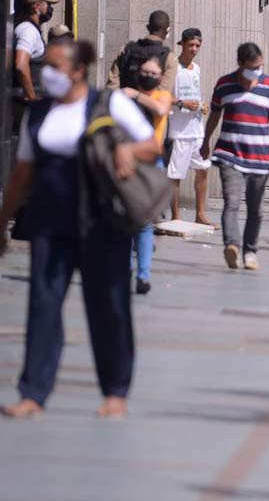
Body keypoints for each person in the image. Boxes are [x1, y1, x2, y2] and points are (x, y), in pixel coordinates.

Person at [0, 40, 158, 418]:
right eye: (45, 66)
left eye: (54, 66)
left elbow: (150, 145)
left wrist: (127, 151)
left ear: (77, 70)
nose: (46, 73)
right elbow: (24, 171)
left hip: (101, 220)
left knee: (108, 305)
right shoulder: (37, 113)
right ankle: (33, 393)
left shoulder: (109, 103)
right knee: (43, 305)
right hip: (49, 220)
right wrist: (3, 219)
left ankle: (115, 391)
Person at [204, 42, 269, 271]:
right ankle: (232, 246)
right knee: (232, 202)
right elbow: (215, 114)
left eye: (260, 67)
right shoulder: (224, 84)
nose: (256, 72)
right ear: (240, 64)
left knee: (256, 209)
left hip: (259, 157)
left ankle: (250, 251)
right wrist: (205, 140)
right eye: (252, 67)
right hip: (229, 154)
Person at [121, 56, 172, 295]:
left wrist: (135, 95)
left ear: (161, 77)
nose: (149, 77)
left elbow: (161, 109)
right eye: (145, 72)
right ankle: (124, 270)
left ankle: (143, 275)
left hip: (152, 164)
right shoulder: (122, 96)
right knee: (123, 220)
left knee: (143, 223)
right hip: (125, 162)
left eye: (154, 74)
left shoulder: (161, 96)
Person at [167, 28, 213, 225]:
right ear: (182, 44)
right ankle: (175, 215)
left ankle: (200, 213)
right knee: (175, 174)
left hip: (196, 128)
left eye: (197, 46)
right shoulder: (172, 68)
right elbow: (162, 95)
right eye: (190, 45)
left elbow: (196, 93)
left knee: (203, 169)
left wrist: (201, 106)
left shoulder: (197, 68)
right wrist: (181, 103)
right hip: (179, 130)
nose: (194, 49)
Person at [13, 0, 60, 132]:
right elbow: (21, 65)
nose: (50, 9)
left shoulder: (32, 29)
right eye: (48, 4)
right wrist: (32, 97)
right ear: (37, 6)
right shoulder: (28, 31)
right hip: (25, 107)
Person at [106, 10, 178, 92]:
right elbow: (162, 92)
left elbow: (112, 85)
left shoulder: (125, 50)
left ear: (147, 27)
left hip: (124, 101)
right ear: (168, 31)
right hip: (151, 104)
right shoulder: (170, 58)